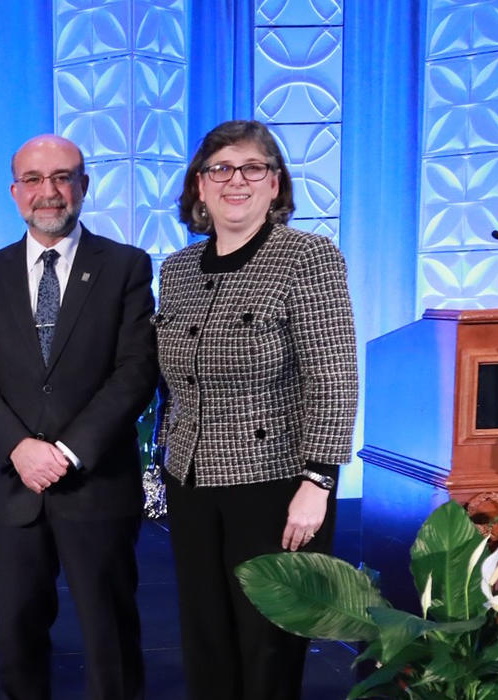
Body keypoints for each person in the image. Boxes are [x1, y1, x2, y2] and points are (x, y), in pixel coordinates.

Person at [155, 119, 358, 699]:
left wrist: (318, 481)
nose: (235, 180)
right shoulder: (178, 271)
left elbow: (334, 375)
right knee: (206, 639)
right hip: (191, 481)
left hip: (276, 486)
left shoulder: (308, 257)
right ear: (198, 186)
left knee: (267, 646)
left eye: (253, 168)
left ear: (275, 185)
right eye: (220, 169)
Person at [0, 134, 158, 700]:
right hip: (14, 485)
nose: (50, 192)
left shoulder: (125, 267)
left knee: (109, 636)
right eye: (35, 180)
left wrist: (68, 451)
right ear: (15, 192)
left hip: (97, 484)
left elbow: (136, 372)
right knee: (19, 636)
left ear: (84, 186)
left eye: (63, 177)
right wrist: (19, 447)